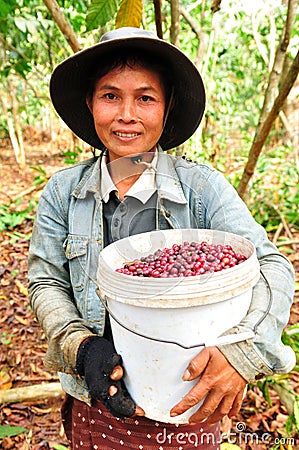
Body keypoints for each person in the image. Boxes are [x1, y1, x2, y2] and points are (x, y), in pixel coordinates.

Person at [28, 27, 295, 450]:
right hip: (96, 404)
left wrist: (243, 353)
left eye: (146, 98)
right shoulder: (63, 193)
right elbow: (47, 282)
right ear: (90, 104)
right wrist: (80, 346)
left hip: (188, 403)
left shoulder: (201, 190)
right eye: (111, 96)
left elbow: (272, 268)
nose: (127, 114)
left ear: (166, 108)